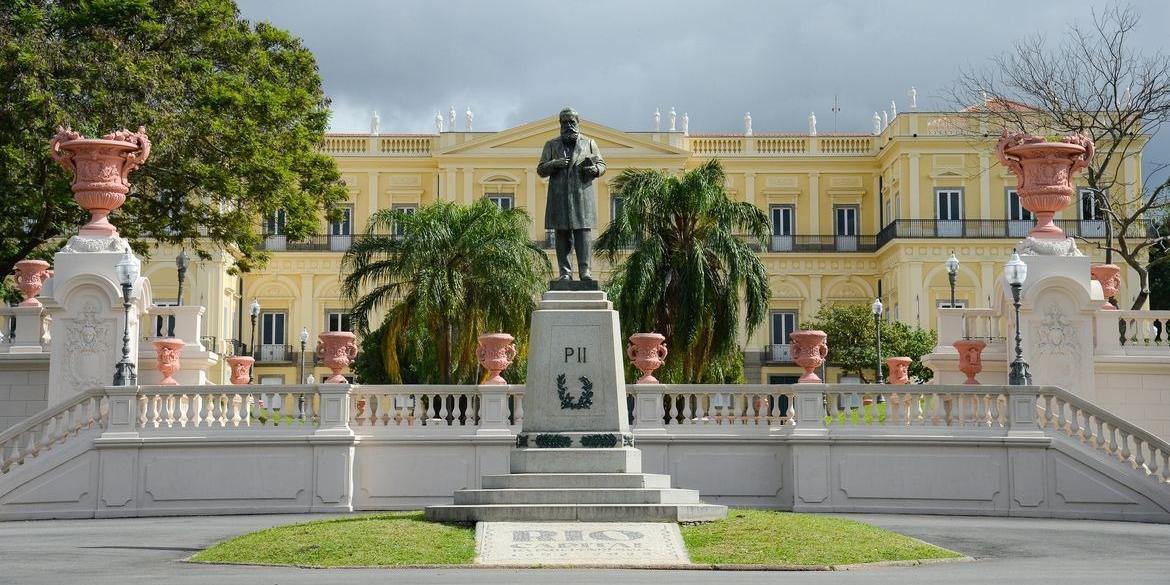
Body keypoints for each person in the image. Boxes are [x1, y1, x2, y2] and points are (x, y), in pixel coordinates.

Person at [537, 107, 606, 281]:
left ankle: (585, 272)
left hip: (582, 197)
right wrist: (555, 163)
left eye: (571, 122)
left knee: (583, 234)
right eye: (565, 122)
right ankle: (565, 273)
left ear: (578, 123)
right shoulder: (551, 145)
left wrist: (594, 169)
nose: (568, 125)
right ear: (560, 124)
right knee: (562, 234)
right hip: (559, 198)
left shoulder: (589, 143)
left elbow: (602, 165)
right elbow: (541, 170)